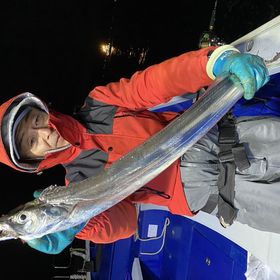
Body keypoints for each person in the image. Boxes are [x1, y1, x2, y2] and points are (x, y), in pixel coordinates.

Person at [0, 44, 271, 254]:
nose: (45, 133)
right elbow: (126, 223)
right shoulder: (78, 184)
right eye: (32, 142)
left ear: (43, 109)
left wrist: (213, 62)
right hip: (221, 193)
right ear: (33, 160)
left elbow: (155, 82)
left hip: (228, 135)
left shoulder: (100, 104)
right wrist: (80, 225)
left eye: (36, 120)